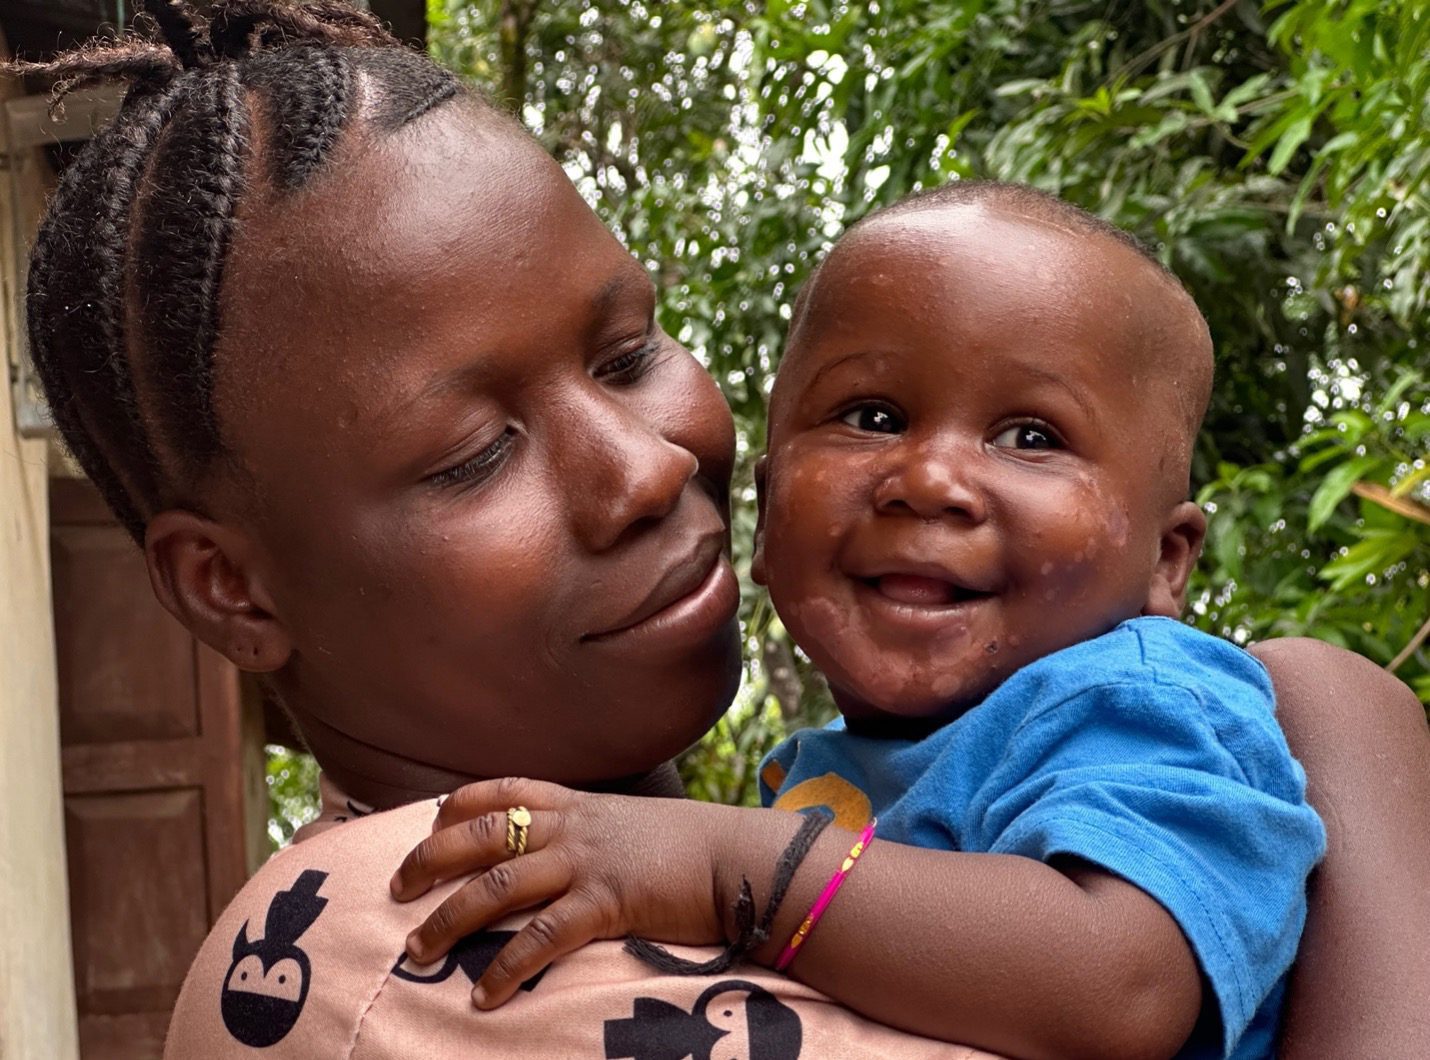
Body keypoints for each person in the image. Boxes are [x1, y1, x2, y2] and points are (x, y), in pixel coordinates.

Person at [10, 3, 1427, 1057]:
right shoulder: (400, 956)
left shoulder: (731, 829)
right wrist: (1356, 756)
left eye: (629, 353)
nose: (641, 467)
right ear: (230, 586)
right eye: (474, 453)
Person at [389, 186, 1325, 1060]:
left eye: (1032, 437)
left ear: (1166, 563)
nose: (928, 481)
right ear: (764, 513)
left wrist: (722, 868)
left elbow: (1124, 983)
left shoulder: (1138, 702)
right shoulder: (829, 771)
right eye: (872, 415)